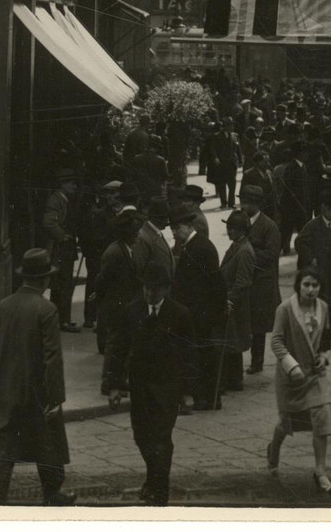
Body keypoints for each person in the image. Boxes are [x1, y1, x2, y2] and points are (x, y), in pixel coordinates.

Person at [0, 248, 75, 506]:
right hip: (35, 390)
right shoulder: (46, 309)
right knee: (48, 442)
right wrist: (55, 397)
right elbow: (52, 358)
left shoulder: (2, 305)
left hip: (4, 387)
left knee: (4, 449)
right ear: (45, 279)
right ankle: (52, 494)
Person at [104, 260, 199, 505]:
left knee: (161, 439)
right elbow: (117, 348)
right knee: (141, 437)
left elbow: (189, 355)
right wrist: (114, 385)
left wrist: (188, 392)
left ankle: (159, 491)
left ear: (166, 289)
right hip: (140, 388)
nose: (149, 293)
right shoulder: (132, 311)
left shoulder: (179, 314)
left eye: (155, 289)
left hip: (167, 388)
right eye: (146, 287)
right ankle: (153, 479)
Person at [266, 267, 331, 493]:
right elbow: (276, 341)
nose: (311, 289)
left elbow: (326, 339)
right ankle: (273, 448)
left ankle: (320, 470)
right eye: (306, 284)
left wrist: (324, 357)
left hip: (315, 376)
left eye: (315, 285)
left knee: (323, 417)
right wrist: (291, 365)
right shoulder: (285, 308)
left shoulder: (323, 307)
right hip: (291, 379)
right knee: (287, 424)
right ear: (298, 285)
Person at [169, 201, 226, 410]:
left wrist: (215, 313)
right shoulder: (193, 246)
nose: (174, 233)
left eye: (177, 228)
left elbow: (215, 283)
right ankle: (206, 397)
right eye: (173, 229)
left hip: (202, 315)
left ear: (188, 226)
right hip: (196, 313)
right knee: (200, 355)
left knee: (204, 356)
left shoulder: (201, 247)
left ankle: (209, 398)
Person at [239, 183, 282, 374]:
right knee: (247, 321)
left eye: (245, 202)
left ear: (255, 204)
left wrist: (248, 256)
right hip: (249, 281)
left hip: (262, 283)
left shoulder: (269, 226)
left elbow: (271, 254)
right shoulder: (243, 221)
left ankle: (257, 362)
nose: (242, 206)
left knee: (258, 326)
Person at [95, 209, 144, 364]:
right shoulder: (114, 253)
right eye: (136, 232)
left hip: (123, 305)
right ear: (128, 234)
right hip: (116, 306)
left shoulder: (126, 249)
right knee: (114, 346)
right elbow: (102, 281)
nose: (139, 235)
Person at [295, 193, 331, 335]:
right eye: (330, 209)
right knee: (322, 296)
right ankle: (321, 324)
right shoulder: (313, 225)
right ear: (323, 208)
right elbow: (299, 242)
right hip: (321, 266)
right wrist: (310, 257)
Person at [218, 209, 256, 393]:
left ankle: (234, 380)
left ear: (242, 230)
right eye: (228, 227)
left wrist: (228, 299)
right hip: (231, 301)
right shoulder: (237, 246)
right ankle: (233, 379)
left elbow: (243, 282)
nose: (229, 231)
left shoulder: (244, 250)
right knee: (231, 342)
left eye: (232, 228)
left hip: (235, 304)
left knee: (233, 342)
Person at [78, 180, 122, 331]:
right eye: (108, 193)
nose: (110, 197)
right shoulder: (99, 213)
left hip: (111, 255)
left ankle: (103, 318)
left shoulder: (121, 213)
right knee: (95, 283)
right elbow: (93, 235)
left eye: (114, 193)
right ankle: (90, 318)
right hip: (98, 255)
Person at [41, 168, 81, 332]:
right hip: (60, 248)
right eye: (72, 184)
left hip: (66, 248)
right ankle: (62, 320)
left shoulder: (63, 200)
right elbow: (49, 223)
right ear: (62, 184)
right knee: (62, 284)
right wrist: (63, 236)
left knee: (63, 284)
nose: (74, 187)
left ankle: (62, 319)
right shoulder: (55, 200)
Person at [273, 141, 310, 253]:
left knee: (301, 231)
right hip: (292, 206)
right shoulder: (291, 168)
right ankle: (276, 251)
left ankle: (303, 253)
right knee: (286, 231)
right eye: (305, 152)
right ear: (300, 154)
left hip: (299, 205)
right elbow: (290, 190)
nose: (307, 154)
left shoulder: (302, 166)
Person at [132, 198, 175, 282]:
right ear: (155, 218)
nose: (167, 221)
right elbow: (140, 270)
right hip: (153, 288)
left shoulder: (156, 232)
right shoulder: (143, 237)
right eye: (164, 218)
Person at [206, 118, 242, 209]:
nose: (232, 127)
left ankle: (231, 203)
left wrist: (240, 160)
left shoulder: (235, 136)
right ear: (225, 126)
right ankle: (223, 203)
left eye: (232, 125)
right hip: (221, 164)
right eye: (230, 125)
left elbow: (238, 149)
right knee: (222, 184)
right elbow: (212, 148)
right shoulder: (217, 136)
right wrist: (215, 158)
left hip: (232, 163)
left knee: (232, 184)